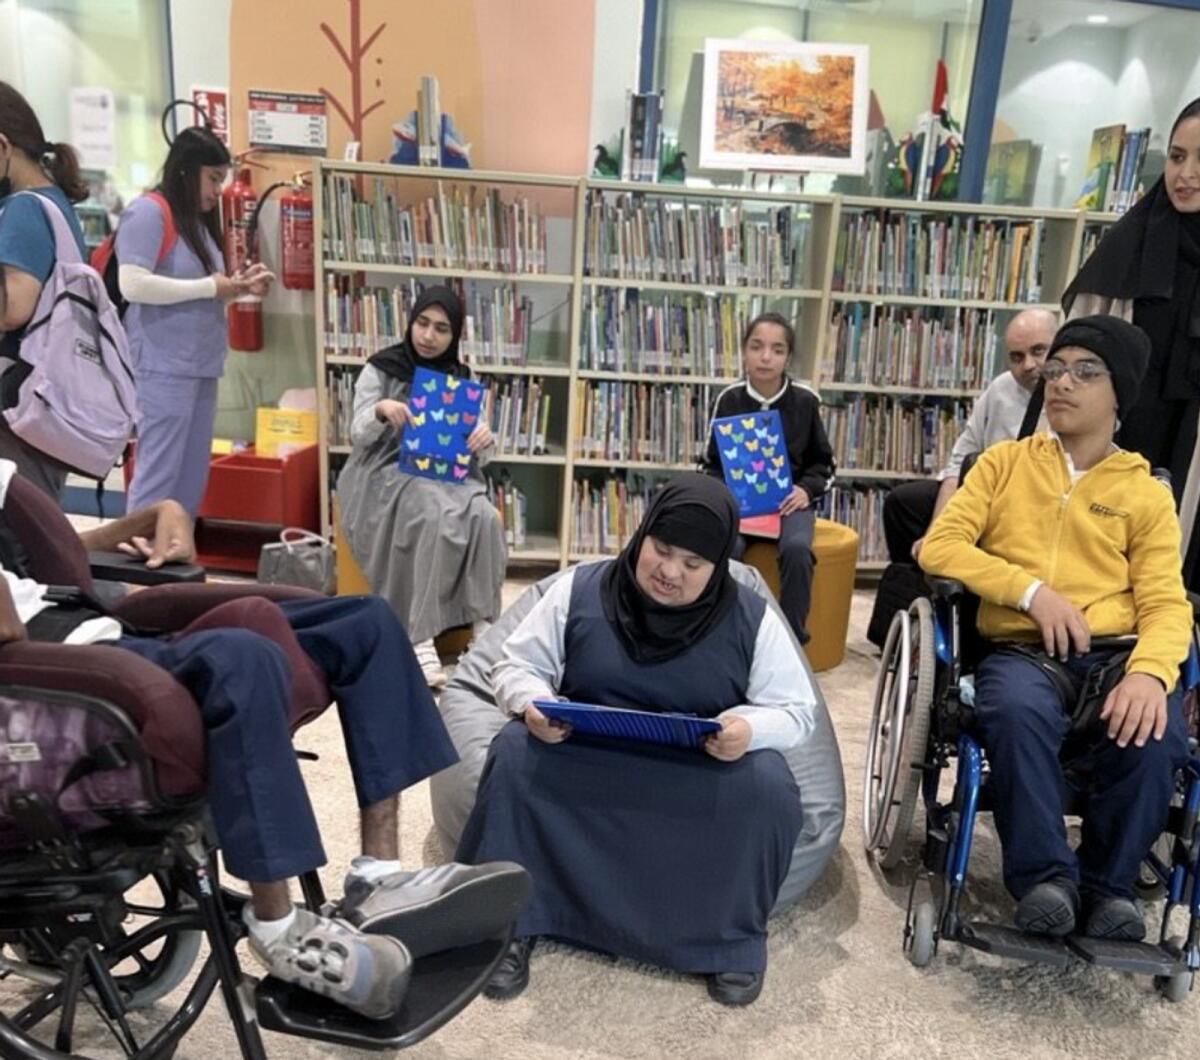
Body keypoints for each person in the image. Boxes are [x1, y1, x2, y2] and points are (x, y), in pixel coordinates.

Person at [0, 465, 523, 1021]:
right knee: (242, 661)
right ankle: (279, 931)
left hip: (100, 628)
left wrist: (149, 518)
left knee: (365, 622)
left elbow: (62, 559)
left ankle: (378, 880)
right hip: (54, 673)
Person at [456, 474, 818, 1006]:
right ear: (641, 533)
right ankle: (509, 922)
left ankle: (726, 942)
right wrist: (531, 704)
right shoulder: (581, 588)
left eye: (693, 564)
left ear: (718, 567)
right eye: (661, 550)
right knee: (513, 750)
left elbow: (797, 712)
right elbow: (515, 665)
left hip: (693, 771)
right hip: (586, 757)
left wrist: (747, 730)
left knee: (769, 787)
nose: (670, 572)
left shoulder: (751, 617)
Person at [919, 316, 1193, 940]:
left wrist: (1151, 675)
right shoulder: (1003, 465)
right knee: (1014, 713)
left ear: (1120, 393)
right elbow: (941, 547)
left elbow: (1166, 603)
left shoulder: (1146, 494)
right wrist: (1030, 592)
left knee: (1156, 734)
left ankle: (1108, 888)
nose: (1062, 383)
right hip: (1024, 652)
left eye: (1085, 372)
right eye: (1056, 370)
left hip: (1116, 657)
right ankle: (1046, 880)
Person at [337, 286, 504, 689]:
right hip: (386, 467)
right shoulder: (381, 368)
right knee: (431, 513)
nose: (429, 336)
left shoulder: (462, 377)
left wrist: (485, 439)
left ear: (455, 334)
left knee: (484, 515)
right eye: (422, 324)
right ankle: (419, 635)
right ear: (410, 323)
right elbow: (356, 434)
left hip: (446, 472)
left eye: (441, 329)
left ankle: (483, 627)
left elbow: (480, 453)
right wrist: (380, 411)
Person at [1062, 99, 1200, 582]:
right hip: (1123, 437)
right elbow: (1076, 350)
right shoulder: (1131, 245)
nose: (1186, 174)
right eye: (1177, 157)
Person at [119, 126, 272, 516]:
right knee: (158, 476)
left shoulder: (198, 223)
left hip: (201, 365)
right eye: (213, 178)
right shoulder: (148, 212)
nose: (218, 190)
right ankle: (137, 548)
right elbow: (132, 285)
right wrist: (210, 286)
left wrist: (241, 288)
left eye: (222, 180)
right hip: (163, 366)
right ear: (187, 171)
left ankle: (177, 546)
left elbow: (205, 290)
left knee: (190, 479)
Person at [882, 308, 1057, 564]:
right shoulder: (1001, 389)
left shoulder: (1071, 398)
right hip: (983, 493)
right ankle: (920, 580)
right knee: (903, 502)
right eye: (1017, 357)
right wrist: (935, 533)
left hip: (1035, 505)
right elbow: (959, 464)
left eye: (1039, 351)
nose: (1028, 365)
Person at [701, 312, 834, 644]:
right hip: (739, 503)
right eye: (756, 347)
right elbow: (709, 464)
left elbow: (824, 465)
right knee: (726, 546)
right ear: (744, 351)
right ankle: (722, 632)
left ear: (788, 358)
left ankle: (791, 639)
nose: (765, 357)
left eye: (777, 350)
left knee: (797, 550)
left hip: (791, 502)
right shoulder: (729, 399)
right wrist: (726, 494)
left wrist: (805, 491)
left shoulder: (805, 401)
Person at [0, 82, 90, 499]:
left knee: (16, 526)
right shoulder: (54, 204)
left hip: (19, 409)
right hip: (46, 408)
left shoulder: (24, 209)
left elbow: (12, 309)